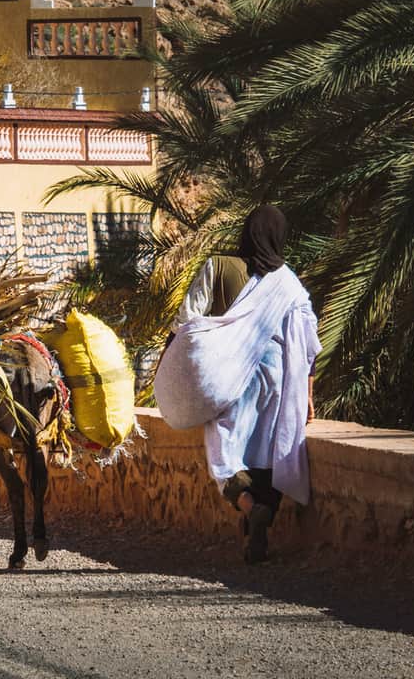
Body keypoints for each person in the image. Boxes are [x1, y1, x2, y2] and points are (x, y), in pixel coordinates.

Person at [154, 205, 321, 563]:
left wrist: (171, 364)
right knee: (267, 455)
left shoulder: (219, 266)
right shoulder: (290, 283)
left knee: (226, 454)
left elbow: (186, 321)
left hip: (232, 377)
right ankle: (258, 528)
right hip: (278, 380)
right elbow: (310, 344)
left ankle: (248, 507)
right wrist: (307, 395)